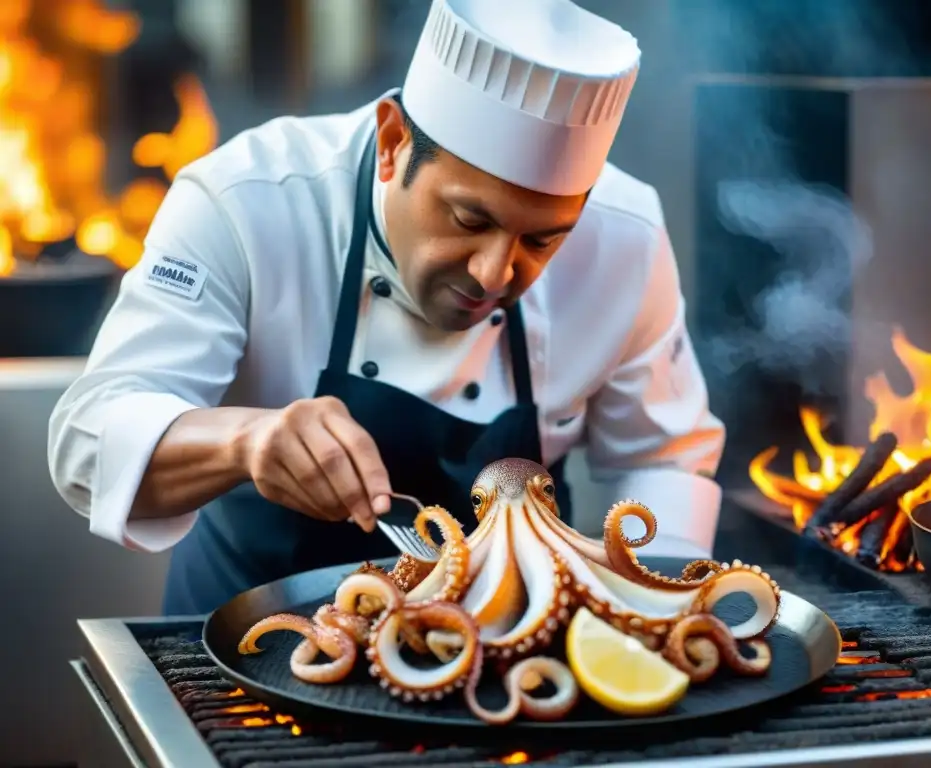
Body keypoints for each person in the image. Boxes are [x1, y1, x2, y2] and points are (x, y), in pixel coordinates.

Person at [47, 0, 725, 615]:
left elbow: (662, 457)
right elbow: (87, 440)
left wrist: (649, 618)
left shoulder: (626, 234)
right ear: (394, 141)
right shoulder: (248, 199)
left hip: (506, 650)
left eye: (542, 240)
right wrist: (247, 441)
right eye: (466, 218)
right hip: (249, 643)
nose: (495, 271)